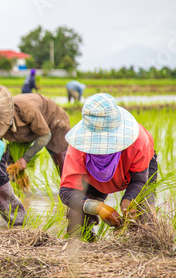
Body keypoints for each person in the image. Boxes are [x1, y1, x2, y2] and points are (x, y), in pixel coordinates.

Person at [59, 93, 157, 241]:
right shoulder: (78, 148)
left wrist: (129, 200)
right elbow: (66, 192)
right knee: (77, 228)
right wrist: (99, 208)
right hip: (92, 178)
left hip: (136, 175)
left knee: (144, 223)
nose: (102, 149)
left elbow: (138, 180)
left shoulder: (138, 140)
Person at [0, 85, 70, 176]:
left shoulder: (28, 110)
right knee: (10, 159)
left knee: (61, 159)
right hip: (25, 129)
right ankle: (16, 184)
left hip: (54, 121)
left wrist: (25, 158)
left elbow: (45, 135)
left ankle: (72, 188)